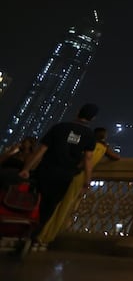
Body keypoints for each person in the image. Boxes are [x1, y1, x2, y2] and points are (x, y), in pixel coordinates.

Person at [18, 103, 99, 249]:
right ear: (93, 118)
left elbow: (41, 150)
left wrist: (26, 169)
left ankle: (20, 233)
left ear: (77, 112)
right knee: (49, 207)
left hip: (45, 170)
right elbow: (88, 159)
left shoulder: (59, 127)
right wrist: (87, 180)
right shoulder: (89, 135)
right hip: (64, 175)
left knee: (33, 202)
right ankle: (33, 237)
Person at [35, 127, 120, 250]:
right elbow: (115, 157)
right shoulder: (102, 148)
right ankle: (44, 238)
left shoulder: (84, 143)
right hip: (78, 176)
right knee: (63, 207)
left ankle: (36, 234)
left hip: (62, 173)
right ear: (104, 137)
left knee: (50, 204)